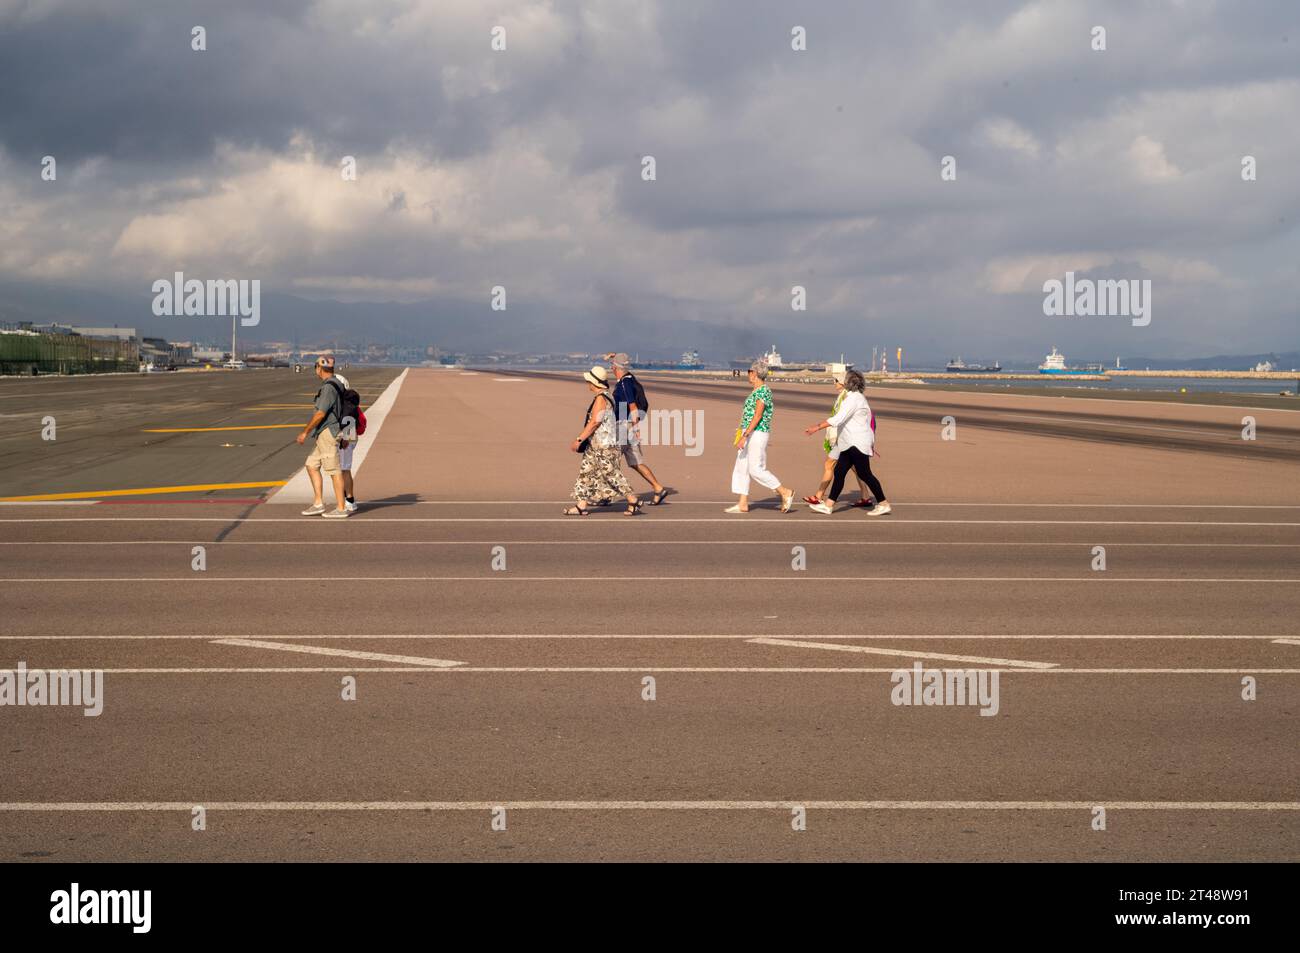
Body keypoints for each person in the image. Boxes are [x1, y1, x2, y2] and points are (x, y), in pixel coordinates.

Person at [803, 369, 891, 515]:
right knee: (839, 472)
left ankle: (884, 503)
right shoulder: (855, 397)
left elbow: (838, 419)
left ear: (848, 383)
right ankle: (829, 505)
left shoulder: (853, 399)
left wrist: (816, 427)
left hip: (857, 442)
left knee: (865, 474)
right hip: (850, 443)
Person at [564, 366, 642, 516]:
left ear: (594, 383)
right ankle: (581, 505)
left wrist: (579, 439)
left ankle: (633, 499)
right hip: (596, 445)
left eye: (589, 381)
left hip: (604, 445)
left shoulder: (601, 398)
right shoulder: (605, 396)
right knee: (586, 473)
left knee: (611, 473)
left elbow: (595, 422)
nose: (588, 384)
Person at [727, 361, 795, 513]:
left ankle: (785, 492)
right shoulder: (756, 391)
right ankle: (743, 503)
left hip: (757, 433)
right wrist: (742, 431)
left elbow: (757, 416)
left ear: (755, 373)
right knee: (742, 466)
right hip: (749, 431)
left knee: (756, 469)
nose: (748, 374)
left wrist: (745, 436)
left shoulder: (763, 391)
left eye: (749, 371)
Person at [605, 353, 670, 505]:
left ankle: (605, 496)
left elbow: (632, 406)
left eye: (612, 365)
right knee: (636, 462)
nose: (611, 368)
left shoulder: (623, 384)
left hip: (623, 427)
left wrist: (635, 428)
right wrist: (615, 355)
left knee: (610, 461)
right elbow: (622, 362)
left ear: (615, 367)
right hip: (628, 427)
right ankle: (658, 488)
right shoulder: (630, 379)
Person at [296, 356, 349, 518]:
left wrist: (305, 432)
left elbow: (320, 413)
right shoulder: (336, 383)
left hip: (328, 432)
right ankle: (318, 503)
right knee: (311, 465)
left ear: (319, 368)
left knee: (334, 470)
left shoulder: (328, 388)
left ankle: (341, 508)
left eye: (316, 367)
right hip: (325, 433)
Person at [333, 371, 359, 513]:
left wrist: (345, 439)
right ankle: (346, 498)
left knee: (344, 469)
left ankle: (349, 500)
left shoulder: (346, 402)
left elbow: (348, 421)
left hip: (347, 437)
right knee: (343, 469)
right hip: (348, 436)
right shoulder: (348, 400)